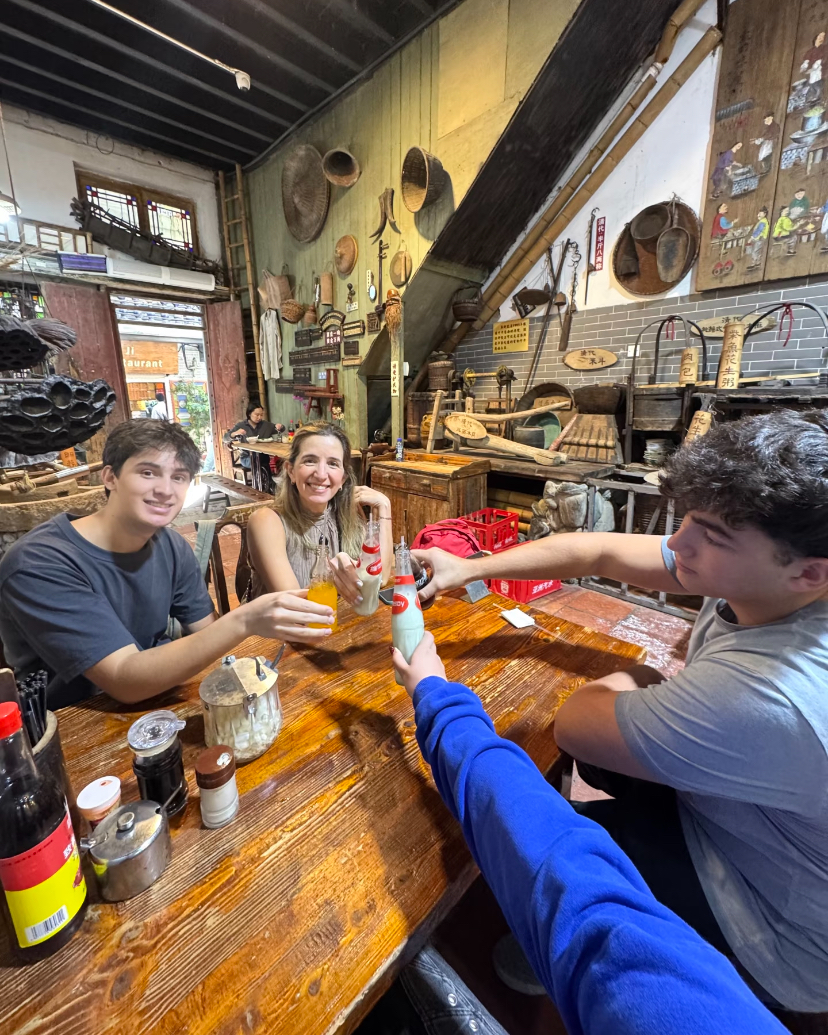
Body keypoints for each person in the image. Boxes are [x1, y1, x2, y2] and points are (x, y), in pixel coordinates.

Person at [413, 409, 828, 1014]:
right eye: (686, 519)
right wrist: (470, 567)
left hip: (771, 920)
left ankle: (563, 944)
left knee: (561, 821)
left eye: (710, 537)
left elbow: (575, 725)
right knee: (606, 767)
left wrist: (645, 677)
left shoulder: (771, 694)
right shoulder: (775, 573)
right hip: (749, 813)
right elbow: (601, 548)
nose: (677, 543)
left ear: (808, 572)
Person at [381, 634, 787, 1035]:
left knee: (560, 851)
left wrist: (438, 699)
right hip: (757, 849)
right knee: (591, 784)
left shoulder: (777, 696)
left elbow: (573, 728)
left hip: (774, 929)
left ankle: (542, 953)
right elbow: (646, 565)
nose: (684, 562)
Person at [0, 420, 337, 710]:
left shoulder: (170, 544)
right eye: (148, 472)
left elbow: (205, 632)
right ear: (110, 477)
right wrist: (246, 619)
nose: (165, 490)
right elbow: (122, 679)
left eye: (179, 477)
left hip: (162, 699)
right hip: (78, 724)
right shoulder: (38, 563)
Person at [245, 422, 392, 599]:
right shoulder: (267, 521)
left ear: (343, 478)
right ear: (290, 471)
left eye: (333, 463)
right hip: (284, 626)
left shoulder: (347, 514)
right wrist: (334, 576)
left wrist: (384, 507)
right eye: (310, 461)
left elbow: (381, 579)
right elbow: (295, 608)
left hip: (333, 624)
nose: (321, 474)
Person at [227, 401, 264, 470]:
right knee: (257, 460)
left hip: (261, 455)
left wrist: (280, 427)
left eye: (261, 415)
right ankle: (261, 480)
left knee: (268, 459)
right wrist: (235, 433)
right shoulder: (241, 425)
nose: (259, 417)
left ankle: (268, 479)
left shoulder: (263, 425)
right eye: (257, 415)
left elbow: (280, 429)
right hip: (247, 458)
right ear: (249, 414)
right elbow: (225, 438)